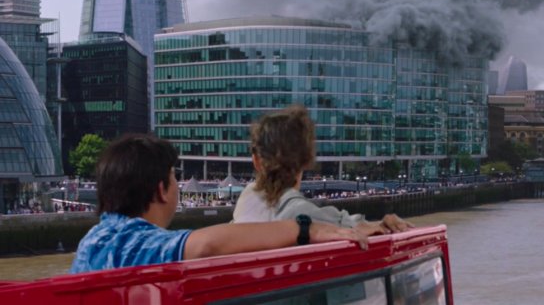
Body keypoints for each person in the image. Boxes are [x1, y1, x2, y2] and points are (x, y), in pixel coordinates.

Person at [70, 134, 369, 274]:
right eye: (174, 178)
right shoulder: (131, 242)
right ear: (161, 190)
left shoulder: (93, 240)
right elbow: (205, 246)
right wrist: (305, 228)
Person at [233, 105, 413, 235]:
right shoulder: (301, 215)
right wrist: (382, 224)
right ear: (306, 161)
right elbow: (338, 225)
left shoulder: (246, 201)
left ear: (256, 161)